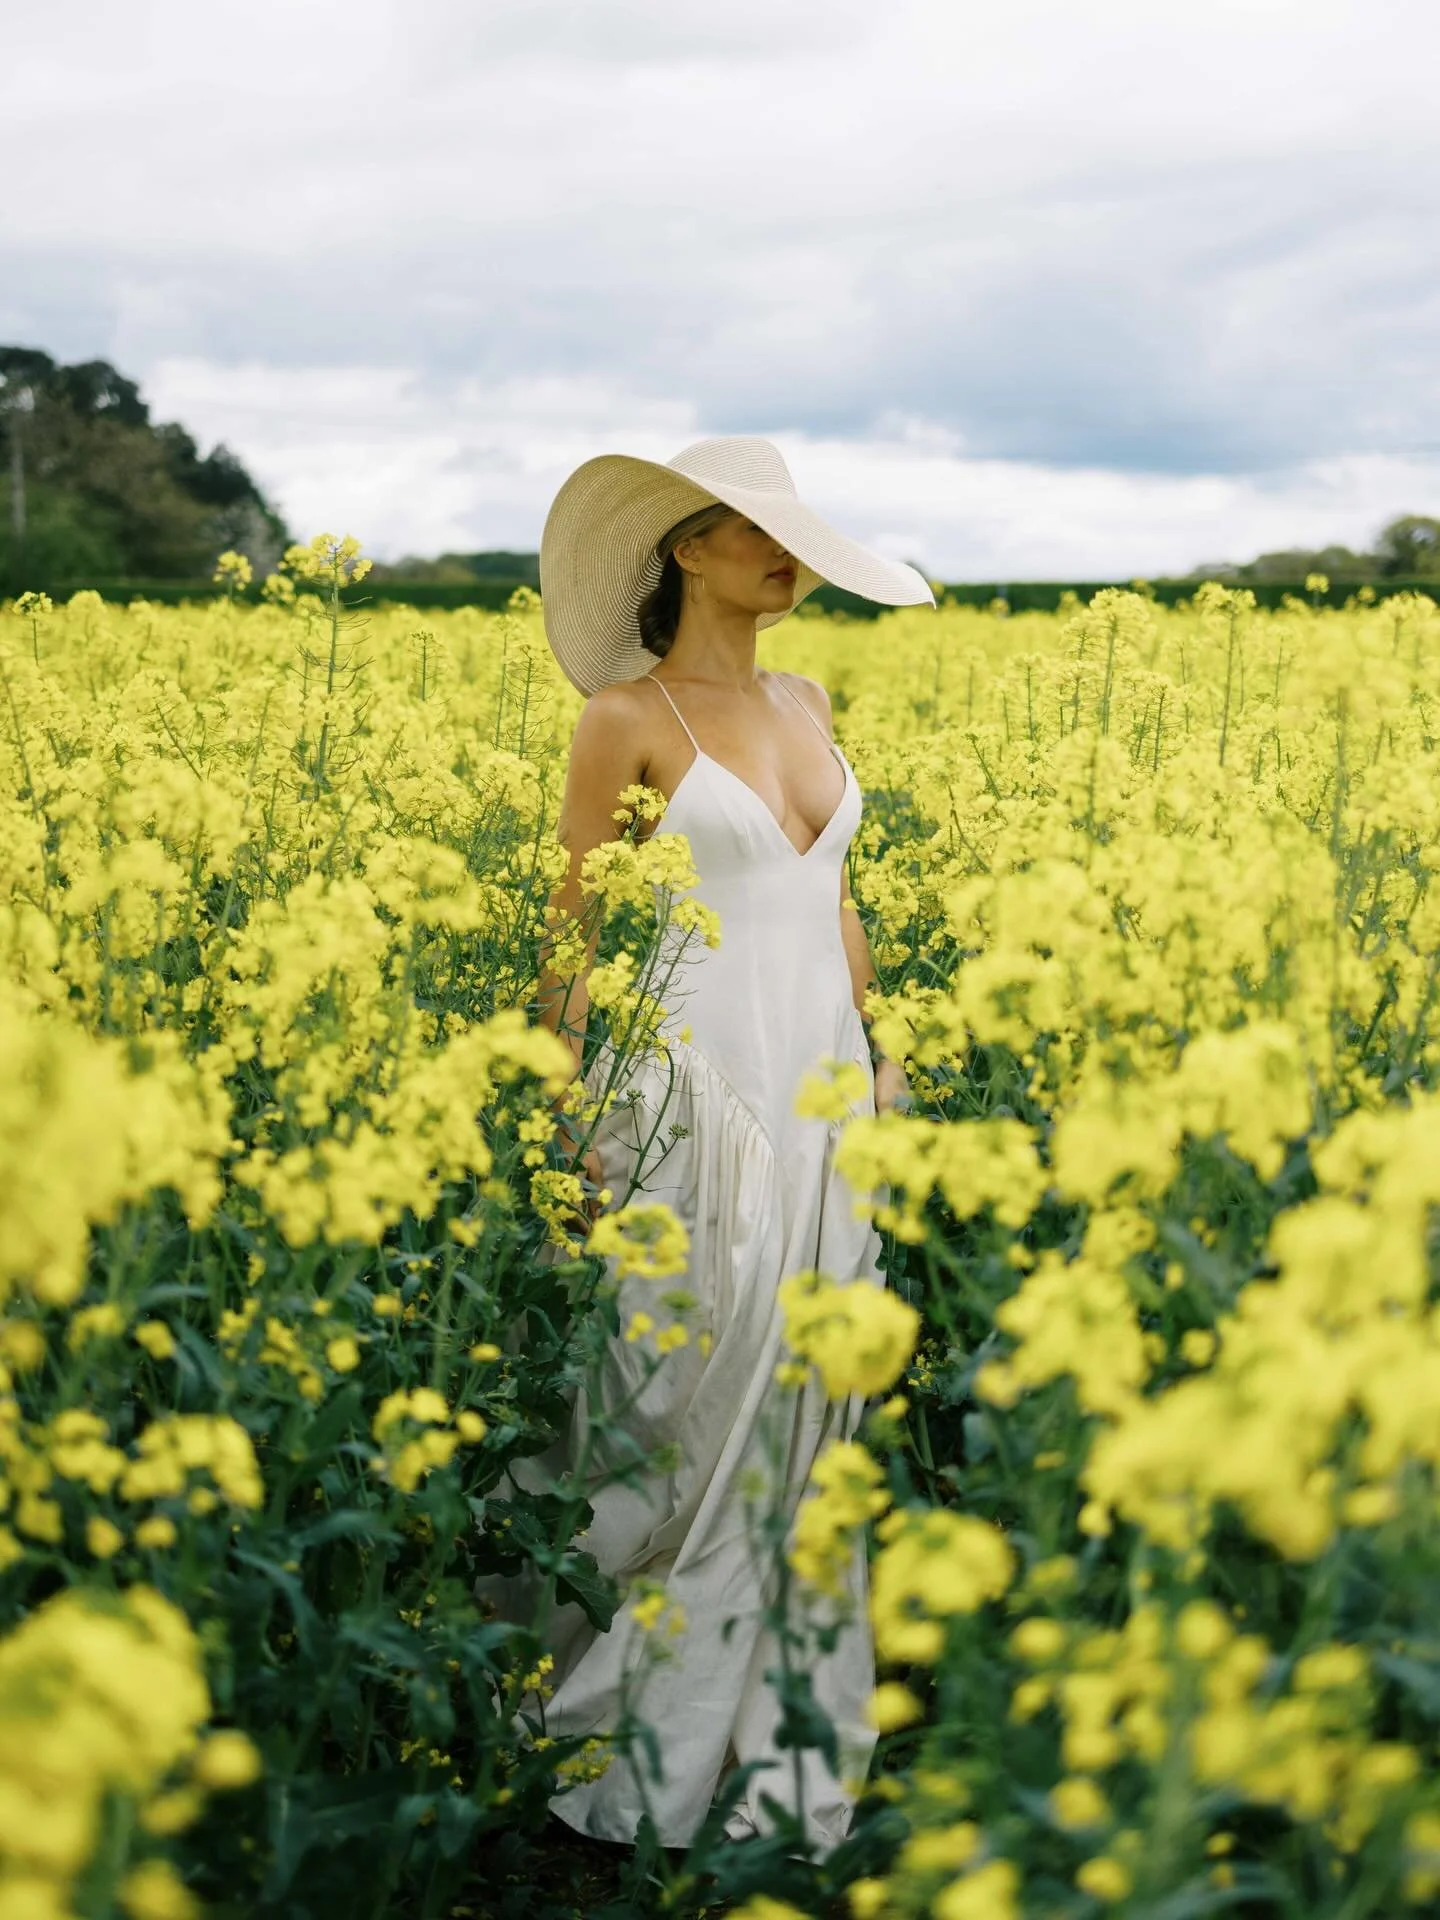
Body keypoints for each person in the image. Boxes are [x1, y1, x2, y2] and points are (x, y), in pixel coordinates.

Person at [528, 435, 934, 1849]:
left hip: (824, 1086)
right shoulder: (625, 717)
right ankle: (632, 1726)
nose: (791, 556)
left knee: (809, 1399)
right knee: (691, 1400)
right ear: (686, 551)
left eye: (800, 536)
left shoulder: (813, 696)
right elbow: (571, 935)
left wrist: (883, 1054)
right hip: (695, 1088)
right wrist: (565, 1114)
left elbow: (835, 901)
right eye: (757, 533)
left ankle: (775, 1727)